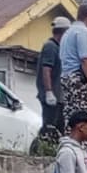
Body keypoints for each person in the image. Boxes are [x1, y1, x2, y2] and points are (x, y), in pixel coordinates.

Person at [60, 4, 87, 128]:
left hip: (68, 77)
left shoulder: (68, 32)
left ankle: (71, 142)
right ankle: (84, 145)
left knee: (72, 115)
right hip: (80, 79)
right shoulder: (83, 32)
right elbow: (85, 59)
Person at [35, 16, 70, 148]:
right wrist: (49, 91)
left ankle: (54, 148)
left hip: (59, 96)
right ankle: (44, 147)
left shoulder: (59, 48)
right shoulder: (50, 47)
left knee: (59, 126)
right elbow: (46, 69)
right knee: (50, 125)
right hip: (52, 95)